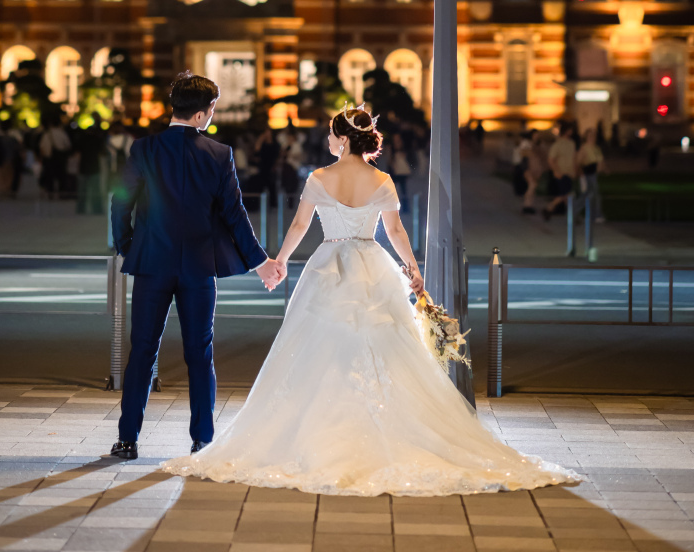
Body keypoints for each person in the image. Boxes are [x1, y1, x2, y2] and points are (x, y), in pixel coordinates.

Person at [164, 104, 580, 496]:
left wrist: (280, 261)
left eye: (331, 134)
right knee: (386, 345)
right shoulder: (382, 181)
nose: (328, 139)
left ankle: (320, 425)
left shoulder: (319, 178)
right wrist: (412, 268)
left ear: (343, 140)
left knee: (317, 347)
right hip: (371, 260)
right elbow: (395, 232)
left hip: (328, 262)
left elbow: (300, 223)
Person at [108, 71, 282, 462]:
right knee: (199, 353)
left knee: (142, 353)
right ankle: (202, 439)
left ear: (175, 108)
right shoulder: (219, 154)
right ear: (204, 113)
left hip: (152, 263)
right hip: (199, 268)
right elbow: (235, 214)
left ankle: (126, 440)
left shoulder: (144, 149)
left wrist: (128, 247)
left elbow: (121, 203)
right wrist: (261, 263)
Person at [542, 122, 578, 220]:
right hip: (561, 173)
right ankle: (551, 207)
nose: (571, 132)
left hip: (569, 172)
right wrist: (556, 171)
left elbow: (574, 158)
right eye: (569, 129)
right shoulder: (558, 144)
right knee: (566, 194)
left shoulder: (572, 143)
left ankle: (551, 209)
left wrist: (575, 170)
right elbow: (550, 159)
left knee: (566, 195)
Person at [75, 115, 106, 215]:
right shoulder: (97, 140)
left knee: (82, 191)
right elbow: (102, 152)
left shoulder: (82, 139)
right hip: (94, 168)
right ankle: (97, 209)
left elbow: (77, 153)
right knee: (96, 191)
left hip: (83, 167)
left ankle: (80, 209)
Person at [577, 127, 607, 222]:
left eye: (593, 135)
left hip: (594, 173)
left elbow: (600, 160)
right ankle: (596, 215)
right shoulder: (584, 148)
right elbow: (579, 162)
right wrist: (581, 174)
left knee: (589, 195)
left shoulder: (596, 148)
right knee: (593, 194)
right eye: (590, 135)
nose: (592, 137)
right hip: (588, 174)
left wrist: (604, 169)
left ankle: (591, 214)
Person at [39, 117, 71, 198]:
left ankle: (51, 194)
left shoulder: (47, 134)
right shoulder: (62, 133)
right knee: (61, 177)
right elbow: (68, 145)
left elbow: (42, 147)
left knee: (50, 177)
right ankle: (62, 194)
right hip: (60, 158)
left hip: (49, 158)